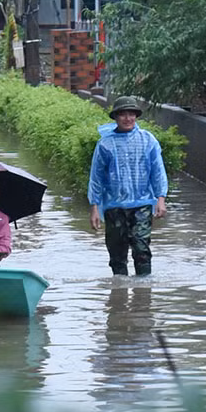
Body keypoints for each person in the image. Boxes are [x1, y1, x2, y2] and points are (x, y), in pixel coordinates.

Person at [87, 95, 169, 276]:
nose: (127, 118)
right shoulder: (105, 144)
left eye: (131, 114)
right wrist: (94, 207)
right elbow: (96, 177)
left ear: (136, 116)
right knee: (117, 254)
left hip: (142, 204)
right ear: (116, 117)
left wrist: (160, 199)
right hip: (114, 206)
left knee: (141, 249)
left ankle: (143, 293)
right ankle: (119, 294)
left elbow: (158, 171)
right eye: (123, 114)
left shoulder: (148, 140)